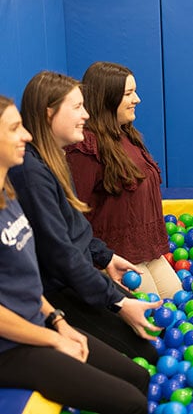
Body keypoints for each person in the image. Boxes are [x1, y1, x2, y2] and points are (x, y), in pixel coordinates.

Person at [0, 95, 149, 414]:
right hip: (9, 347)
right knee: (133, 404)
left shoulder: (7, 195)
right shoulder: (29, 177)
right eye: (14, 129)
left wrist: (58, 322)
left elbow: (24, 282)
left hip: (40, 321)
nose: (25, 135)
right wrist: (53, 339)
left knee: (140, 378)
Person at [8, 71, 162, 363]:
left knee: (154, 334)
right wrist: (116, 300)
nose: (86, 115)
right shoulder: (30, 173)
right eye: (77, 107)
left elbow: (75, 226)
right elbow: (60, 254)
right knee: (149, 353)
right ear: (49, 113)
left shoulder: (55, 157)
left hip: (79, 278)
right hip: (59, 290)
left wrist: (105, 257)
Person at [65, 61, 182, 299]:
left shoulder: (126, 134)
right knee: (152, 311)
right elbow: (73, 212)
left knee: (176, 298)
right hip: (115, 254)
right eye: (128, 93)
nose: (137, 99)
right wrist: (96, 260)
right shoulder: (85, 146)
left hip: (146, 249)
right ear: (107, 98)